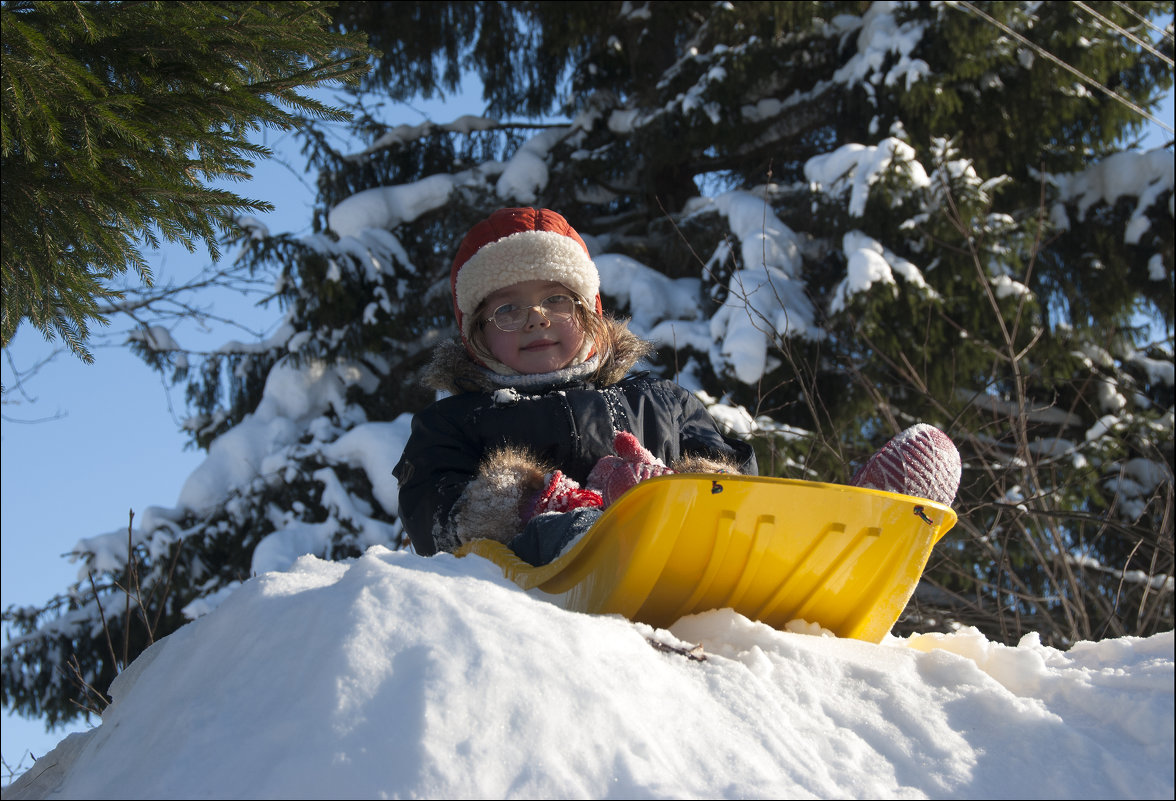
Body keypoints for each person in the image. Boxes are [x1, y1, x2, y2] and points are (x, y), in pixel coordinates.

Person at [393, 207, 960, 566]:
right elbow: (429, 513)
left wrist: (704, 485)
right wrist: (513, 499)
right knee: (574, 527)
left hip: (685, 553)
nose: (537, 318)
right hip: (555, 577)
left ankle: (856, 538)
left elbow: (725, 466)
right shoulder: (457, 421)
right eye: (509, 310)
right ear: (476, 336)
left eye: (556, 301)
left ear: (590, 312)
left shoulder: (657, 400)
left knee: (722, 509)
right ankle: (600, 525)